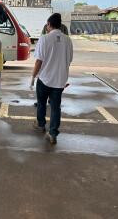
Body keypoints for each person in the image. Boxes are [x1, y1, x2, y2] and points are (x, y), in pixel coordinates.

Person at [30, 13, 73, 145]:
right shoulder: (68, 40)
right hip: (59, 81)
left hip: (44, 79)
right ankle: (53, 132)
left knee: (41, 103)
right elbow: (69, 60)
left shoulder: (44, 38)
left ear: (48, 24)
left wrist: (33, 76)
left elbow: (39, 61)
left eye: (47, 25)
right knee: (55, 107)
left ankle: (41, 124)